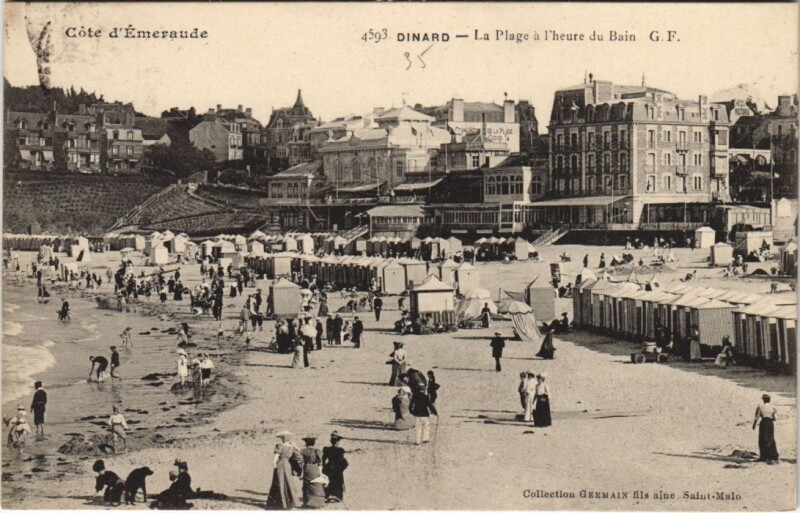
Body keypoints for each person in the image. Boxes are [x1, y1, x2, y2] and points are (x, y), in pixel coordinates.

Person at [266, 431, 303, 510]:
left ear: (283, 438)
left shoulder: (280, 446)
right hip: (288, 465)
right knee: (288, 482)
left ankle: (279, 504)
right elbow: (299, 457)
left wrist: (274, 465)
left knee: (279, 482)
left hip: (281, 464)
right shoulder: (292, 447)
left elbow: (276, 456)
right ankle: (289, 502)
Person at [300, 436, 326, 508]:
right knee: (316, 484)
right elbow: (320, 463)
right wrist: (320, 473)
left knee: (306, 485)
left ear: (306, 443)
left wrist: (301, 473)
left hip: (306, 468)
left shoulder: (303, 451)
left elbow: (301, 463)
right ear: (314, 443)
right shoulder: (317, 451)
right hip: (315, 468)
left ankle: (307, 502)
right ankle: (317, 502)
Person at [322, 432, 348, 503]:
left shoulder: (327, 449)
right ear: (337, 442)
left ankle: (328, 494)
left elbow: (323, 460)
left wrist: (324, 468)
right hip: (337, 468)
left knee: (329, 481)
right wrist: (341, 468)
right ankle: (337, 495)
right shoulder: (340, 450)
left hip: (329, 467)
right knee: (338, 481)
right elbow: (343, 461)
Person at [753, 394, 779, 464]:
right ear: (769, 399)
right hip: (770, 423)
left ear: (763, 400)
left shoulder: (760, 407)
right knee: (771, 438)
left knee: (762, 439)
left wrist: (754, 425)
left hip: (763, 423)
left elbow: (757, 417)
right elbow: (775, 418)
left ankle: (764, 456)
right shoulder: (773, 407)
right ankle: (773, 456)